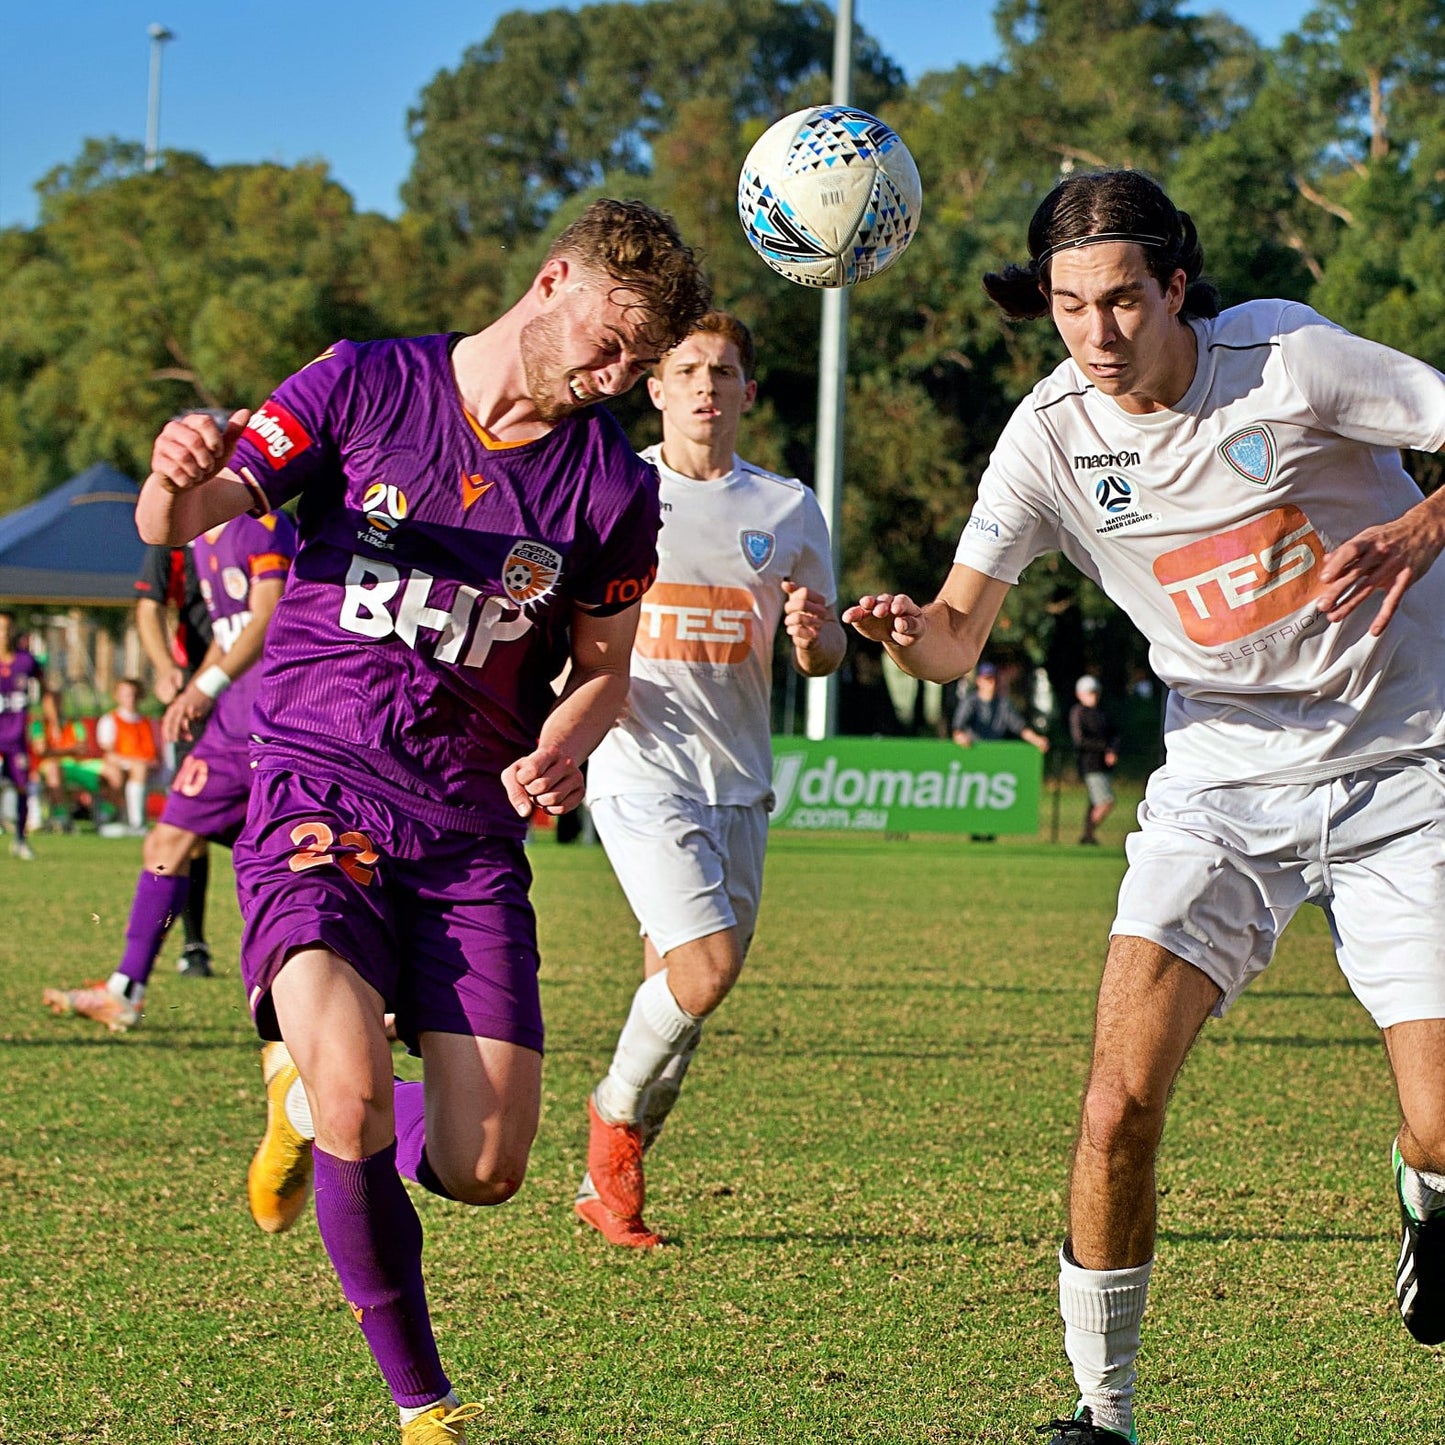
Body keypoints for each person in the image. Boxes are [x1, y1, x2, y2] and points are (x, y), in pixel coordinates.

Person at [843, 168, 1445, 1443]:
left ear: (1175, 286)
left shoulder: (1286, 356)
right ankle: (1098, 1413)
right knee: (1116, 1098)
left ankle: (1424, 1188)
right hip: (1220, 786)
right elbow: (957, 635)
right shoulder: (1048, 437)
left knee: (1442, 1122)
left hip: (1409, 766)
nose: (1096, 335)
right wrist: (907, 635)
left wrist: (1420, 526)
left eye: (1120, 300)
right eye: (1067, 307)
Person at [130, 199, 709, 1443]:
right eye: (607, 343)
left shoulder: (610, 483)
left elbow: (604, 668)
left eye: (635, 364)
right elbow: (192, 512)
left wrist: (569, 734)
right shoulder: (364, 381)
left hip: (465, 835)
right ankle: (425, 1407)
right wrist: (172, 478)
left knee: (485, 1164)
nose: (613, 378)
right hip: (316, 781)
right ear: (552, 281)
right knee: (347, 1088)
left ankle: (299, 1108)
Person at [576, 311, 845, 1247]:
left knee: (683, 1008)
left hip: (737, 780)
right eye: (685, 369)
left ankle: (606, 1184)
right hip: (636, 764)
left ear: (746, 392)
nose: (703, 386)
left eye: (721, 371)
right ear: (653, 388)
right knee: (706, 966)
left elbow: (825, 650)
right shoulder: (614, 488)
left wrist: (817, 638)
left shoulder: (786, 508)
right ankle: (608, 1119)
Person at [43, 510, 296, 1031]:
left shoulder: (265, 524)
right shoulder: (199, 543)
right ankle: (126, 989)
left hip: (285, 720)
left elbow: (268, 615)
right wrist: (192, 694)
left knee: (297, 856)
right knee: (167, 843)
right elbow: (228, 637)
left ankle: (367, 990)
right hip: (230, 726)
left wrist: (204, 688)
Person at [136, 537, 219, 974]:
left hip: (252, 693)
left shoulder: (264, 524)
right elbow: (148, 607)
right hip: (197, 702)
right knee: (189, 826)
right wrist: (166, 667)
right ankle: (194, 944)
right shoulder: (176, 540)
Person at [0, 610, 44, 860]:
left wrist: (51, 722)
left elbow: (48, 690)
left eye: (7, 628)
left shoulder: (26, 661)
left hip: (16, 737)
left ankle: (20, 839)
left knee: (22, 787)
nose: (3, 634)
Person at [95, 677, 160, 836]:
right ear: (117, 697)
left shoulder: (148, 722)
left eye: (133, 694)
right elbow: (109, 753)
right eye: (126, 695)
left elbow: (157, 752)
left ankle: (135, 822)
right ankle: (133, 822)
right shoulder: (110, 720)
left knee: (141, 769)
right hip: (122, 764)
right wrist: (135, 762)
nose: (130, 699)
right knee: (121, 773)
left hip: (149, 767)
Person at [950, 660, 1050, 751]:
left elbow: (1019, 727)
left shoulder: (1003, 704)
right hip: (971, 750)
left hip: (995, 753)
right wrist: (960, 736)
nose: (991, 683)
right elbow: (958, 727)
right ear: (979, 681)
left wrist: (1036, 740)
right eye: (987, 679)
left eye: (994, 679)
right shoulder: (970, 702)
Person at [1068, 676, 1119, 846]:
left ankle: (1088, 836)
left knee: (1094, 802)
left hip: (1103, 764)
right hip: (1090, 763)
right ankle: (1087, 833)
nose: (1093, 696)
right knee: (1106, 801)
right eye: (1089, 693)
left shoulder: (1102, 713)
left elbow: (1115, 734)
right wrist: (1105, 748)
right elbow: (1080, 740)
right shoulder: (1079, 712)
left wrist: (1112, 749)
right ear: (1079, 694)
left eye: (1095, 692)